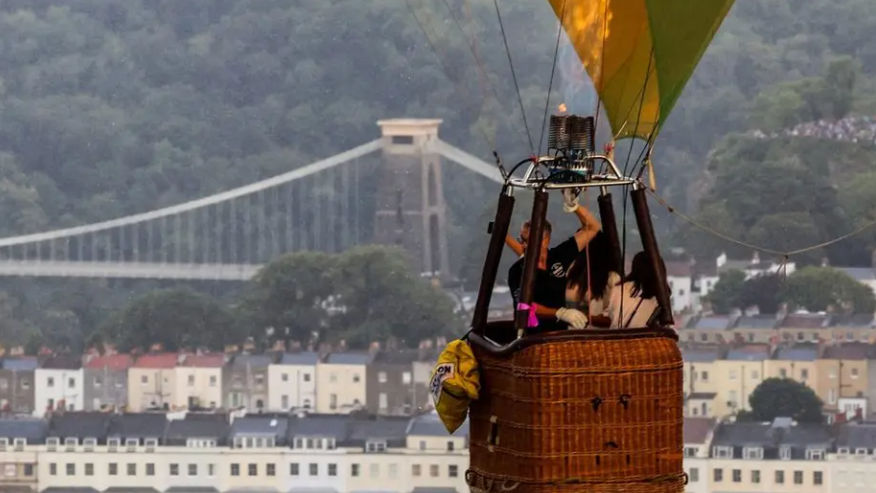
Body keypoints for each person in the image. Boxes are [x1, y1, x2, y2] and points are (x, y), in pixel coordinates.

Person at [507, 190, 601, 331]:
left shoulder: (558, 256)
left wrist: (574, 206)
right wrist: (559, 313)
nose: (523, 245)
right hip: (531, 337)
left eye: (527, 241)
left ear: (545, 241)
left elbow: (593, 228)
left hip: (558, 333)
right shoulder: (517, 270)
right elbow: (525, 306)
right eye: (521, 240)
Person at [564, 230, 621, 327]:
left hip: (594, 337)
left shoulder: (611, 279)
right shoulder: (572, 269)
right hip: (571, 334)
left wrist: (581, 316)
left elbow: (613, 318)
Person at [605, 251, 669, 329]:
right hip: (644, 340)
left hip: (616, 339)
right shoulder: (660, 298)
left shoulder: (619, 288)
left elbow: (612, 315)